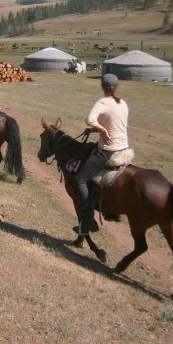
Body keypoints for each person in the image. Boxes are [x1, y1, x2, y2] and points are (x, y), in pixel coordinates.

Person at [74, 73, 129, 237]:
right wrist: (95, 129)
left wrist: (102, 129)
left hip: (108, 150)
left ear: (102, 87)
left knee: (79, 180)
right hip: (124, 148)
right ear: (117, 87)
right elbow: (114, 123)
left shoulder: (103, 102)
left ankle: (87, 218)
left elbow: (89, 119)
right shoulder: (123, 103)